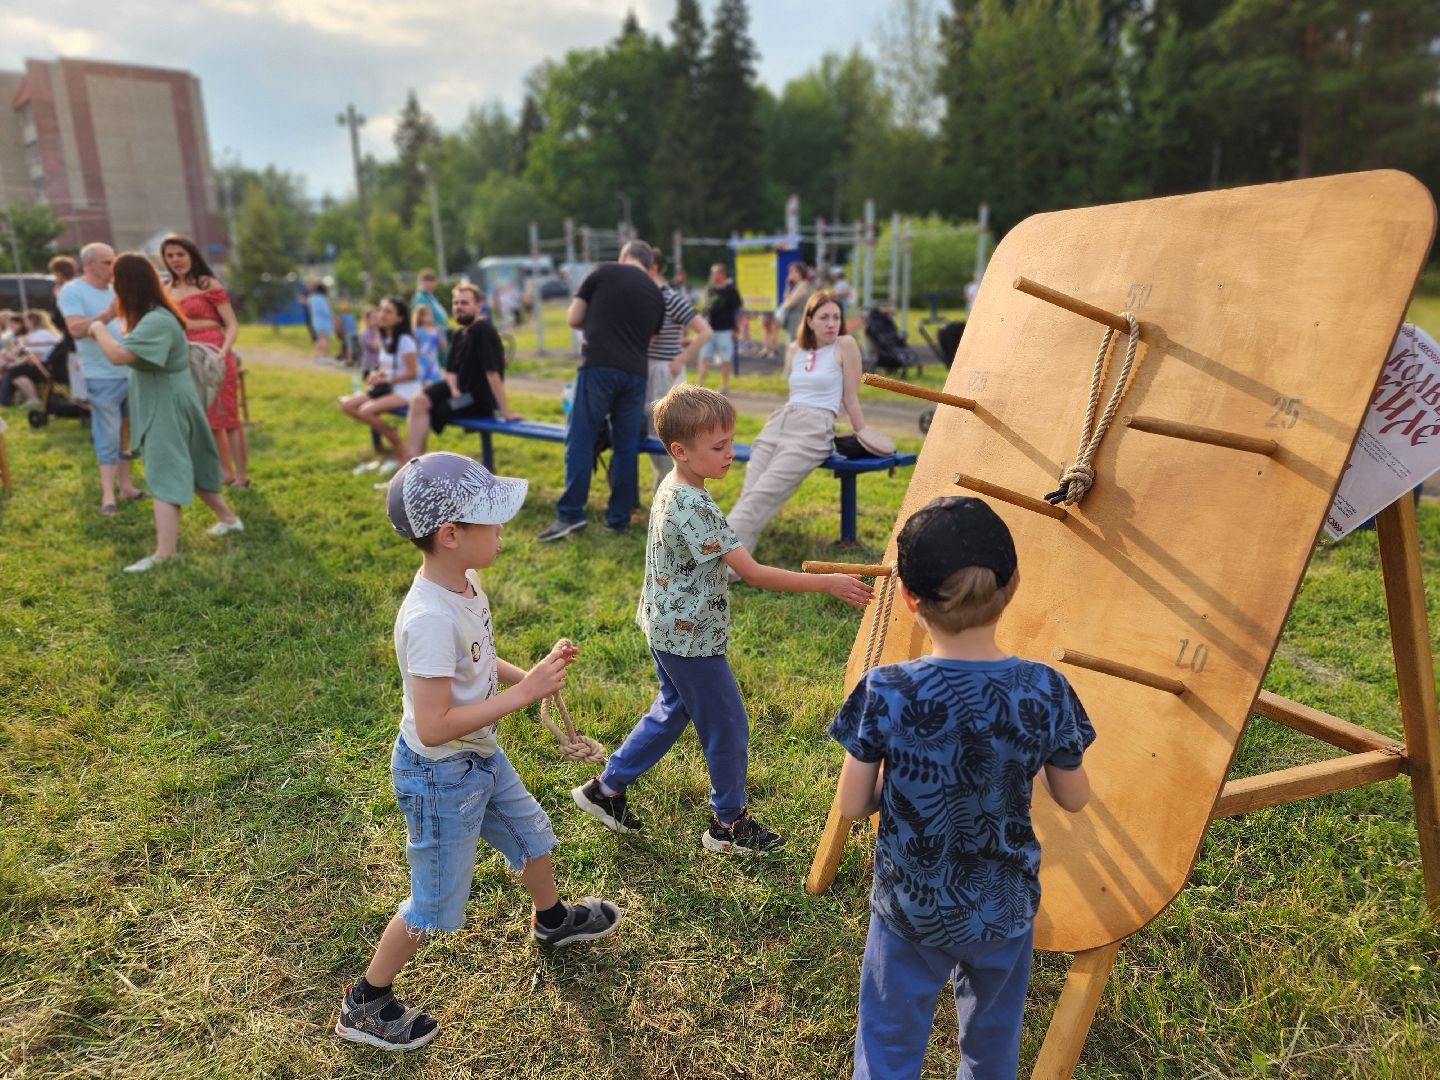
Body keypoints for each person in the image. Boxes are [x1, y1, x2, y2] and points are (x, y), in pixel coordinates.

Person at [336, 452, 622, 1052]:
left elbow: (480, 662)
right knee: (433, 900)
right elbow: (435, 724)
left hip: (479, 758)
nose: (502, 531)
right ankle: (366, 1001)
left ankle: (552, 921)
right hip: (439, 776)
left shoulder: (464, 585)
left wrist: (530, 675)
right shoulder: (428, 619)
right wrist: (524, 694)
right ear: (451, 534)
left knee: (532, 835)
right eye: (491, 521)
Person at [827, 495, 1095, 1079]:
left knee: (888, 1045)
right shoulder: (1045, 689)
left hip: (910, 907)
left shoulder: (886, 689)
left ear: (908, 597)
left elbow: (852, 804)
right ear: (1012, 586)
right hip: (1004, 907)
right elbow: (1074, 797)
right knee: (992, 1049)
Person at [571, 384, 873, 851]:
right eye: (718, 447)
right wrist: (827, 583)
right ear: (680, 451)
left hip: (664, 626)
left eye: (731, 442)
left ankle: (605, 789)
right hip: (690, 640)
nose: (731, 453)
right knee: (728, 726)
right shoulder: (696, 506)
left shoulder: (674, 487)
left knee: (674, 708)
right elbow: (751, 573)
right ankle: (728, 824)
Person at [90, 253, 243, 572]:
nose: (114, 291)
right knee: (194, 465)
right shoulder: (152, 316)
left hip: (166, 405)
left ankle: (165, 553)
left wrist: (97, 328)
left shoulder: (156, 320)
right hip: (171, 399)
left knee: (163, 472)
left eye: (117, 283)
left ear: (128, 285)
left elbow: (118, 355)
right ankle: (229, 519)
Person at [726, 290, 879, 560]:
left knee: (760, 497)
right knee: (749, 495)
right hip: (779, 422)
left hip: (814, 429)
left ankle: (709, 559)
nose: (831, 323)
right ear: (809, 320)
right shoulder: (795, 349)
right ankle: (732, 568)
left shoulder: (845, 345)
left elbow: (851, 399)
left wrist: (864, 436)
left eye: (836, 317)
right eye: (824, 317)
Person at [537, 240, 664, 541]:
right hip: (635, 374)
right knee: (626, 447)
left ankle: (570, 514)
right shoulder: (656, 293)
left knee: (581, 439)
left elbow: (574, 318)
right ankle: (618, 519)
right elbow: (650, 341)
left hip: (598, 367)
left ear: (624, 256)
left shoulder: (602, 272)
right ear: (649, 265)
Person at [59, 242, 144, 513]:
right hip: (102, 375)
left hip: (130, 370)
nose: (113, 267)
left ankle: (126, 486)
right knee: (107, 433)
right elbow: (75, 329)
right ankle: (108, 495)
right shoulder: (73, 290)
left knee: (127, 433)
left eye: (114, 261)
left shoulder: (116, 288)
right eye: (107, 262)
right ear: (89, 264)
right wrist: (107, 315)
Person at [161, 233, 249, 488]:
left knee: (228, 416)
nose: (176, 260)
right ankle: (225, 473)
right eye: (170, 256)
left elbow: (231, 324)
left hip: (214, 354)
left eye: (181, 254)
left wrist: (223, 351)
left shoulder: (207, 283)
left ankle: (242, 475)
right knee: (206, 418)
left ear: (191, 255)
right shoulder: (165, 290)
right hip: (185, 356)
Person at [401, 283, 518, 461]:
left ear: (478, 306)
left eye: (464, 303)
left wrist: (505, 411)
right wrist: (454, 389)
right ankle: (412, 463)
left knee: (438, 410)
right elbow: (451, 371)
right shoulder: (459, 334)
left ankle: (416, 463)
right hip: (460, 392)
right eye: (456, 303)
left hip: (475, 399)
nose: (458, 307)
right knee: (418, 401)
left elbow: (492, 373)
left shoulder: (482, 330)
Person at [643, 245, 711, 490]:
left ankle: (669, 492)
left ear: (653, 268)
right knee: (652, 433)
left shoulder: (670, 297)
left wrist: (681, 359)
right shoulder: (646, 296)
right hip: (648, 370)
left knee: (664, 431)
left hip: (664, 372)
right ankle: (664, 490)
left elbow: (704, 330)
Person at [339, 297, 419, 475]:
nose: (382, 315)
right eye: (382, 310)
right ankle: (391, 435)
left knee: (366, 411)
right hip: (388, 386)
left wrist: (386, 379)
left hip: (406, 389)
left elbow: (413, 372)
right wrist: (377, 374)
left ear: (400, 318)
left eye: (388, 312)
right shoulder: (385, 337)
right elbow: (386, 366)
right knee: (347, 406)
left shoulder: (405, 340)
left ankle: (396, 442)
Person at [696, 263, 741, 394]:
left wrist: (735, 329)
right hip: (708, 330)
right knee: (704, 357)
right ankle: (698, 386)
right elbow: (705, 308)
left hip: (725, 331)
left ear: (721, 275)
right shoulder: (710, 290)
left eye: (714, 273)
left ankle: (723, 386)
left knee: (725, 359)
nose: (711, 276)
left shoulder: (731, 291)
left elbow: (738, 310)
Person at [47, 255, 80, 397]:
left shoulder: (65, 289)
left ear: (58, 272)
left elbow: (59, 318)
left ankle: (79, 398)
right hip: (73, 335)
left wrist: (58, 298)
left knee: (59, 361)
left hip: (73, 336)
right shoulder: (78, 285)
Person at [411, 268, 449, 365]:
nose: (429, 284)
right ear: (420, 282)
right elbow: (421, 320)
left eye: (431, 281)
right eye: (426, 280)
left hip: (440, 334)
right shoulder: (420, 298)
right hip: (430, 337)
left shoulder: (432, 297)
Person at [777, 261, 814, 344]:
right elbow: (786, 299)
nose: (790, 275)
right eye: (789, 272)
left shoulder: (802, 286)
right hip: (793, 321)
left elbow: (788, 304)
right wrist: (788, 285)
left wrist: (787, 302)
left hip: (797, 321)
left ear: (799, 273)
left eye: (792, 272)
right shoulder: (798, 286)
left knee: (794, 345)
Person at [411, 304, 445, 387]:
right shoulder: (416, 331)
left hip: (433, 365)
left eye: (430, 314)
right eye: (425, 314)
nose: (429, 317)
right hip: (421, 365)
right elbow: (412, 350)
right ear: (419, 317)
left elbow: (444, 349)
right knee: (421, 386)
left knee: (435, 386)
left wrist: (440, 335)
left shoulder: (435, 331)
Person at [308, 283, 333, 360]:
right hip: (324, 321)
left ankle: (315, 355)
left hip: (316, 321)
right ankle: (326, 356)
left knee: (319, 339)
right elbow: (326, 311)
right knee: (324, 339)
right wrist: (332, 317)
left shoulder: (312, 298)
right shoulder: (321, 299)